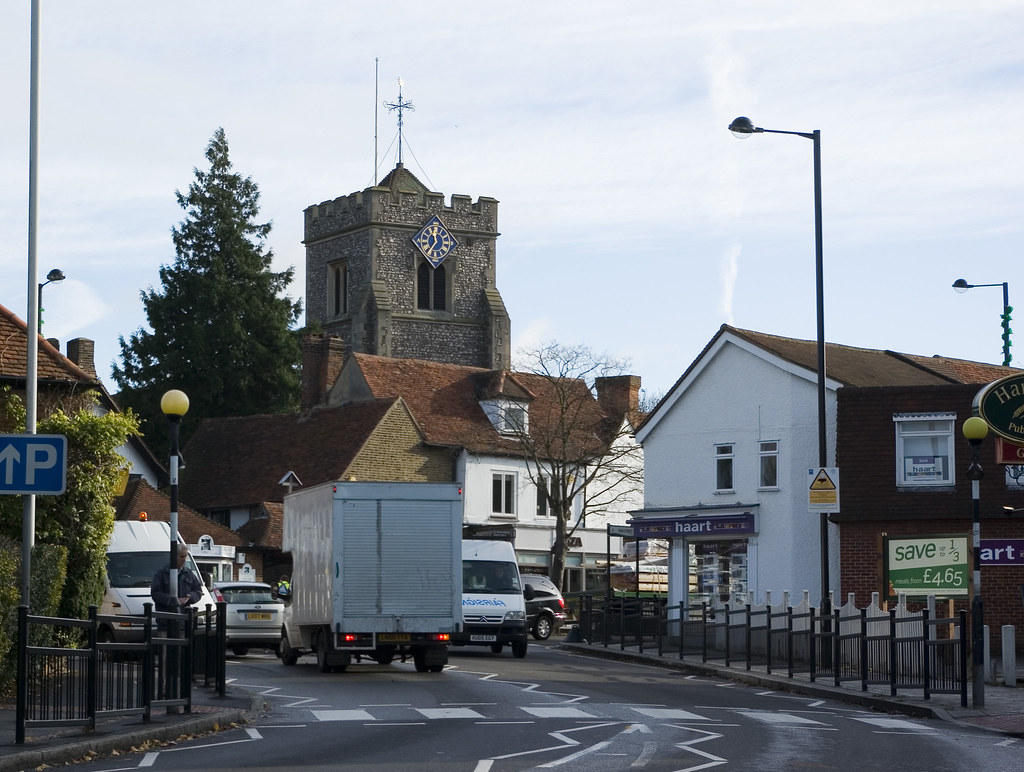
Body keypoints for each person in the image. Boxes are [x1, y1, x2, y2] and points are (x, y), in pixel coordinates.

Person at [150, 543, 204, 616]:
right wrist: (172, 600)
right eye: (182, 556)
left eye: (185, 556)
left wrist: (188, 597)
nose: (184, 560)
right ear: (174, 556)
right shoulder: (162, 573)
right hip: (166, 617)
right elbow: (155, 593)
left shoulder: (188, 573)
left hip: (184, 617)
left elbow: (198, 591)